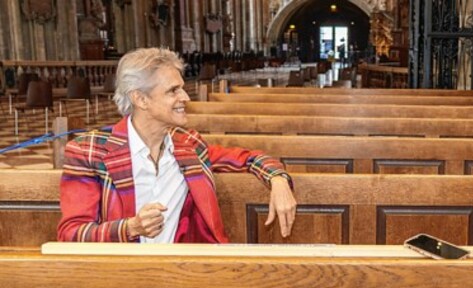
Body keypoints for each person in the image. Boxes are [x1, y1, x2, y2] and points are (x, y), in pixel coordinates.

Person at [58, 47, 297, 243]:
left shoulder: (189, 145)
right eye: (173, 91)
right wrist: (130, 228)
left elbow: (248, 158)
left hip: (182, 274)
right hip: (118, 276)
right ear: (140, 99)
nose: (186, 98)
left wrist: (278, 179)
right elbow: (71, 234)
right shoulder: (89, 152)